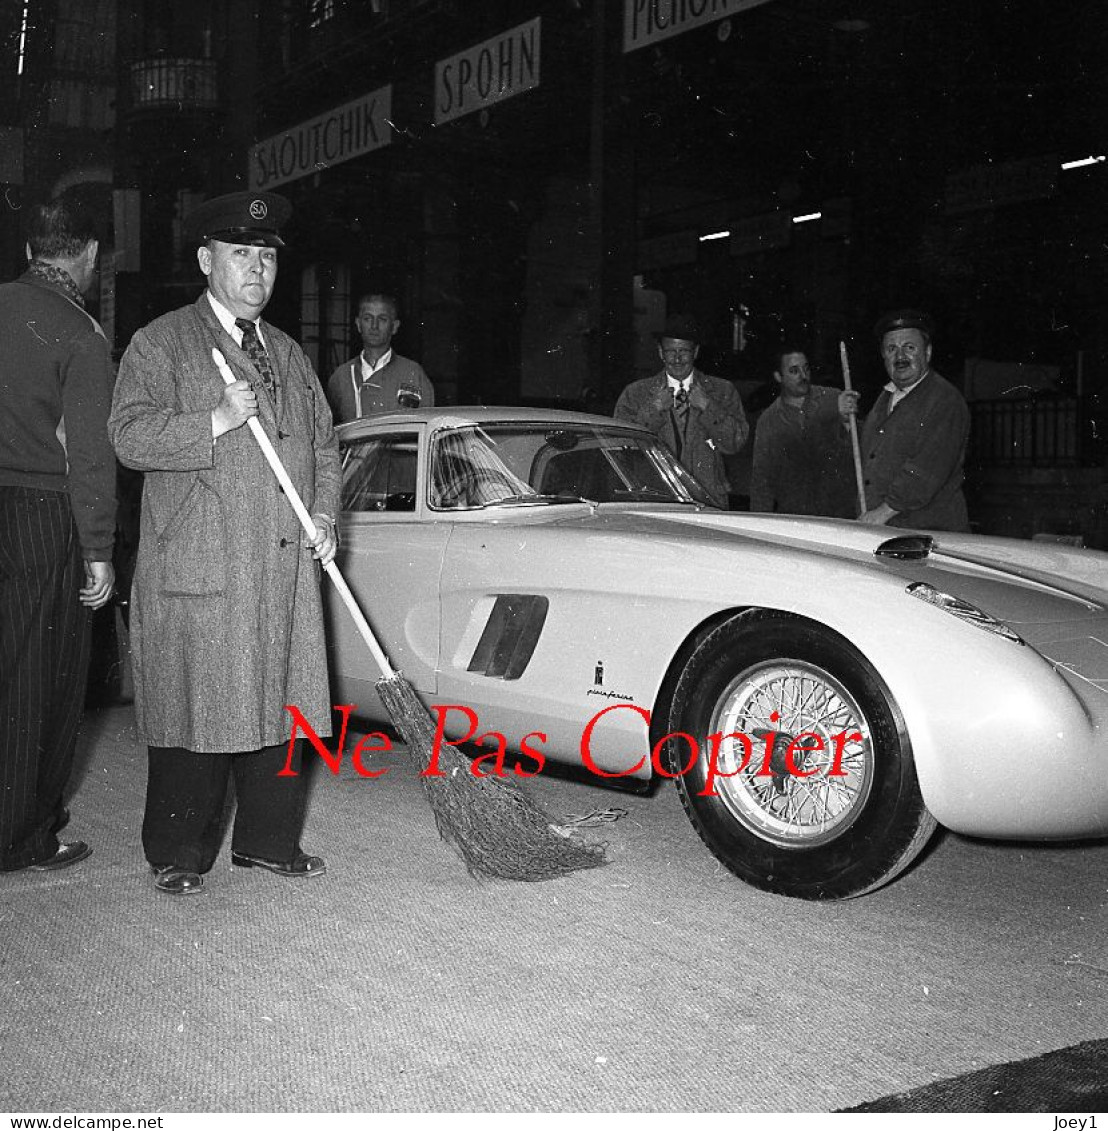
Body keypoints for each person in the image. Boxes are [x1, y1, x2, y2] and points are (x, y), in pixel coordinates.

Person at [108, 190, 341, 896]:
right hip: (204, 566)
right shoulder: (162, 341)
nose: (257, 269)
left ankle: (267, 841)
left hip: (280, 565)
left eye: (267, 256)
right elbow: (126, 434)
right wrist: (209, 420)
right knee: (197, 706)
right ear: (207, 259)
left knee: (279, 703)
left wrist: (325, 515)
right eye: (241, 253)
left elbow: (327, 448)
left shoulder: (292, 355)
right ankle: (178, 852)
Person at [0, 188, 116, 873]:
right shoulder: (80, 334)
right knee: (38, 679)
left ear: (27, 250)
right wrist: (98, 550)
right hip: (42, 516)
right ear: (91, 255)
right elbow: (91, 456)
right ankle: (22, 835)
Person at [839, 309, 971, 530]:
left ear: (927, 353)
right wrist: (847, 421)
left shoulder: (945, 400)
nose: (900, 357)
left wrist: (882, 513)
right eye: (892, 349)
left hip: (927, 537)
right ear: (883, 356)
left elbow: (925, 471)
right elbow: (873, 454)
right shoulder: (887, 397)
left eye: (909, 348)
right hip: (887, 531)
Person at [614, 314, 748, 507]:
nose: (677, 359)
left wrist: (708, 407)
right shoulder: (635, 393)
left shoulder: (722, 391)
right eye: (670, 351)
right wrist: (654, 409)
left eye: (684, 351)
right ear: (660, 352)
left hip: (710, 500)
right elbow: (622, 448)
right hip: (655, 500)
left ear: (696, 352)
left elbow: (735, 442)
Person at [750, 345, 857, 517]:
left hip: (842, 515)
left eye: (806, 368)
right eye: (794, 371)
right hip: (797, 518)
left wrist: (847, 421)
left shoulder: (833, 398)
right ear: (779, 376)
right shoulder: (769, 420)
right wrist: (759, 522)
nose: (803, 375)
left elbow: (862, 448)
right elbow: (761, 480)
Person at [325, 293, 434, 423]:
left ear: (394, 326)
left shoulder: (413, 373)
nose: (374, 326)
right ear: (358, 324)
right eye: (367, 319)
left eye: (382, 319)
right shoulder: (341, 377)